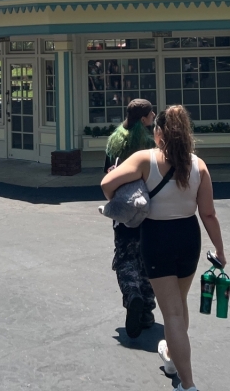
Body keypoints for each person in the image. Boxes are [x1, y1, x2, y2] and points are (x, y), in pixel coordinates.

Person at [101, 105, 225, 391]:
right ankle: (171, 357)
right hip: (188, 236)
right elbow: (208, 214)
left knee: (171, 313)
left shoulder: (145, 160)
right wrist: (220, 249)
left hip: (157, 237)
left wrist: (124, 185)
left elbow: (107, 185)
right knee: (179, 306)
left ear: (159, 133)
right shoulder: (199, 165)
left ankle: (188, 383)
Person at [103, 99, 158, 338]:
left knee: (125, 256)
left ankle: (131, 294)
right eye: (151, 113)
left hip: (123, 209)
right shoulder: (149, 143)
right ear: (144, 118)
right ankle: (146, 309)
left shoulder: (114, 140)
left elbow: (106, 172)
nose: (154, 115)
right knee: (147, 258)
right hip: (147, 210)